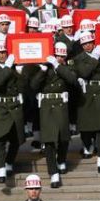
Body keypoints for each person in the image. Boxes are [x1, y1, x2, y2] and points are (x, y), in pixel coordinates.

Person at [30, 43, 77, 188]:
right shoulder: (44, 68)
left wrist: (58, 65)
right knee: (49, 140)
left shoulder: (66, 67)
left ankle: (61, 159)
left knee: (63, 137)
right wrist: (43, 69)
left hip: (61, 104)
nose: (61, 59)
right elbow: (33, 85)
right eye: (58, 56)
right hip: (46, 105)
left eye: (63, 56)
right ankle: (53, 172)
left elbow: (72, 79)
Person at [73, 31, 100, 173]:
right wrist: (95, 58)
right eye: (85, 44)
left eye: (90, 43)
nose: (88, 46)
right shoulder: (78, 58)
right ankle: (87, 145)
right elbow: (84, 72)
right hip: (87, 93)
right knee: (86, 125)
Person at [0, 41, 25, 183]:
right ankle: (1, 168)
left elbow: (22, 85)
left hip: (15, 105)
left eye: (3, 52)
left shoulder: (13, 68)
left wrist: (21, 72)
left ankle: (9, 162)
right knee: (0, 139)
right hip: (1, 107)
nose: (1, 56)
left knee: (16, 139)